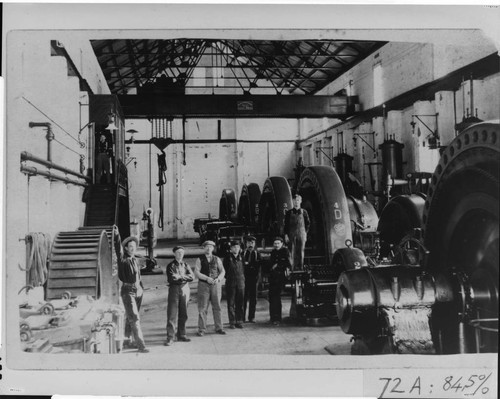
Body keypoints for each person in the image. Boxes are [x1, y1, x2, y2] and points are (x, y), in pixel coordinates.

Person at [113, 225, 149, 353]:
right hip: (128, 291)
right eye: (130, 246)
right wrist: (117, 235)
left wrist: (141, 289)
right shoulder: (123, 259)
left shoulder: (135, 259)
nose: (133, 248)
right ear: (126, 248)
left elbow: (138, 277)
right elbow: (118, 248)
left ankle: (128, 340)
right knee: (134, 318)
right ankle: (141, 345)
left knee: (131, 317)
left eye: (134, 246)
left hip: (138, 291)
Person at [194, 240, 226, 336]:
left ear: (213, 248)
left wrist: (218, 279)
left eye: (210, 247)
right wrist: (206, 278)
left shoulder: (217, 259)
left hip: (215, 285)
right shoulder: (199, 259)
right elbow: (196, 272)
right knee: (202, 307)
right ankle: (202, 329)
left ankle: (219, 328)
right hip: (203, 285)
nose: (208, 248)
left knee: (217, 306)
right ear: (204, 248)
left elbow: (222, 271)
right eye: (207, 247)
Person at [165, 246, 194, 346]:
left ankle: (181, 334)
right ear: (174, 254)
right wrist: (184, 277)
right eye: (178, 252)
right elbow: (172, 279)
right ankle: (170, 337)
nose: (180, 254)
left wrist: (181, 276)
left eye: (182, 252)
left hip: (185, 290)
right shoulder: (170, 266)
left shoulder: (186, 265)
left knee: (183, 313)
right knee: (172, 314)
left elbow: (192, 277)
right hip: (174, 290)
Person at [267, 236, 291, 326]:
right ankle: (273, 317)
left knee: (276, 297)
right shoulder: (273, 252)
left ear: (282, 244)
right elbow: (270, 264)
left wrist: (277, 265)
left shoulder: (285, 251)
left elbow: (288, 263)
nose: (276, 245)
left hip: (281, 278)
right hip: (273, 278)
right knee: (272, 297)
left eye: (278, 243)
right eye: (275, 243)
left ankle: (277, 318)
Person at [284, 194, 310, 271]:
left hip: (301, 234)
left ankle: (301, 269)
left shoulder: (304, 212)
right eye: (294, 201)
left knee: (301, 251)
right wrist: (286, 235)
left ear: (300, 201)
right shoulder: (289, 213)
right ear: (293, 202)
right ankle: (292, 269)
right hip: (291, 234)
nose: (296, 202)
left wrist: (305, 233)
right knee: (291, 252)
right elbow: (286, 225)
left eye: (298, 200)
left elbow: (308, 223)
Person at [223, 241, 245, 329]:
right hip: (231, 283)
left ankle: (239, 321)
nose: (236, 249)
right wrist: (230, 278)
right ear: (231, 249)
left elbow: (244, 270)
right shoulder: (227, 258)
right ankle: (232, 322)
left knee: (240, 302)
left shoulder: (242, 257)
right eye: (234, 247)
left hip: (240, 283)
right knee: (231, 303)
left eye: (237, 247)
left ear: (240, 249)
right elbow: (224, 271)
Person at [242, 235, 262, 323]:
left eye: (252, 243)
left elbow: (260, 267)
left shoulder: (257, 254)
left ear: (255, 244)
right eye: (249, 242)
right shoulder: (242, 253)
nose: (250, 244)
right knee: (243, 298)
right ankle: (241, 317)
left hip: (254, 279)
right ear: (246, 244)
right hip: (244, 279)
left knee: (253, 299)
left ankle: (251, 317)